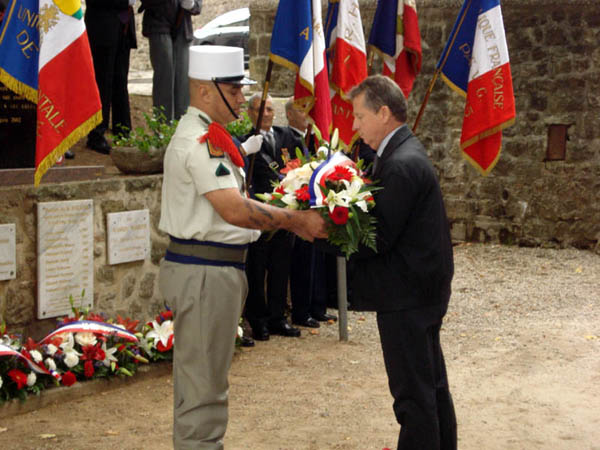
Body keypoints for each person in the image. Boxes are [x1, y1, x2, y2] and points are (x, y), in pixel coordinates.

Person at [158, 45, 327, 449]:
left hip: (214, 271)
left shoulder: (210, 137)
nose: (240, 98)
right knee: (204, 391)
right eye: (233, 90)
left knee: (204, 382)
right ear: (204, 93)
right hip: (205, 273)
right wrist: (296, 220)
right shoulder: (199, 142)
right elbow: (233, 209)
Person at [348, 75, 457, 450]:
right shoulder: (401, 152)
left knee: (413, 396)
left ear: (383, 113)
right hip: (420, 290)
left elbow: (378, 237)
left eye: (360, 116)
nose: (354, 126)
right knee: (431, 386)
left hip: (407, 295)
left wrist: (326, 232)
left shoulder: (400, 163)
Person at [242, 94, 306, 340]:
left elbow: (297, 165)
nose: (267, 114)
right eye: (261, 109)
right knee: (257, 269)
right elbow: (255, 174)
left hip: (286, 209)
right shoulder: (246, 142)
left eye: (270, 109)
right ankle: (258, 320)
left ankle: (278, 317)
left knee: (281, 266)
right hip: (260, 212)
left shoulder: (286, 136)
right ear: (250, 112)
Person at [286, 99, 337, 328]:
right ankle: (301, 311)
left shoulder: (316, 136)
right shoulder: (286, 137)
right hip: (297, 208)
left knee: (318, 261)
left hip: (316, 206)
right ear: (288, 115)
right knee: (302, 264)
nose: (306, 113)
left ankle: (318, 306)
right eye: (300, 109)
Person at [84, 0, 137, 155]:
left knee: (121, 79)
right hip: (103, 24)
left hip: (123, 24)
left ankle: (123, 129)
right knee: (103, 81)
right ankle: (96, 133)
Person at [139, 0, 202, 121]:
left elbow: (197, 7)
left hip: (183, 27)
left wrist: (191, 4)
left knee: (183, 80)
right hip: (158, 23)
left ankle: (182, 124)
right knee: (165, 78)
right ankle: (163, 126)